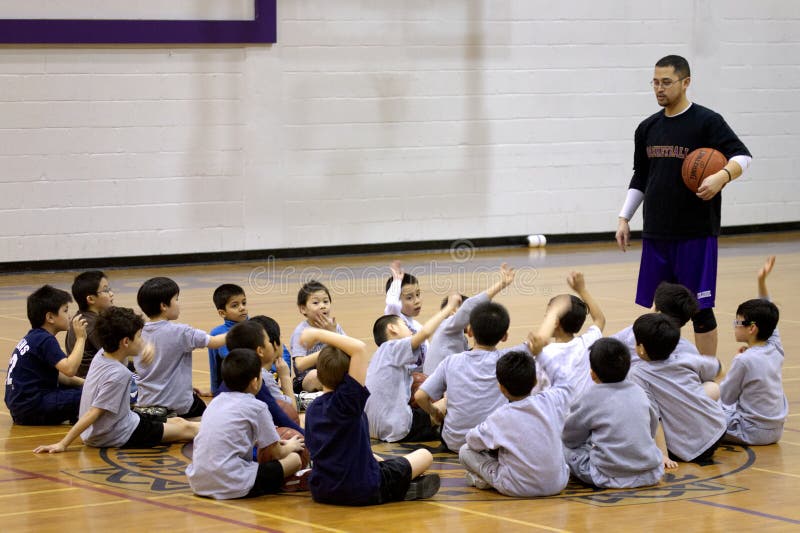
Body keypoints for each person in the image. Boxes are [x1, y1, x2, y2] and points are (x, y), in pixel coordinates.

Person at [615, 54, 753, 357]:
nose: (659, 89)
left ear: (685, 82)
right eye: (655, 82)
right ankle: (666, 371)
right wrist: (625, 217)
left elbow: (743, 156)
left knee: (700, 308)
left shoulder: (707, 121)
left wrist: (722, 175)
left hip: (695, 233)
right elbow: (641, 175)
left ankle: (707, 374)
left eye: (666, 82)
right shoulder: (647, 128)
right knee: (663, 308)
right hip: (657, 232)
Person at [301, 327, 441, 505]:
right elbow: (359, 348)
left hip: (322, 491)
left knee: (378, 459)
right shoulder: (347, 402)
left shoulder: (312, 409)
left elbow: (328, 450)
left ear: (319, 375)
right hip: (361, 489)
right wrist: (318, 334)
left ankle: (398, 485)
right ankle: (400, 489)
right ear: (349, 377)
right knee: (425, 455)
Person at [33, 307, 199, 453]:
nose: (142, 341)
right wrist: (63, 444)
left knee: (178, 421)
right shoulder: (119, 375)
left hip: (115, 424)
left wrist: (144, 348)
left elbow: (128, 348)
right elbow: (93, 413)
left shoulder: (103, 353)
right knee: (185, 429)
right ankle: (223, 430)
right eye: (140, 337)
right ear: (126, 341)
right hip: (118, 434)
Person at [458, 297, 569, 497]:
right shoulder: (551, 401)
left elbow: (472, 442)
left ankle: (484, 480)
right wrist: (541, 354)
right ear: (535, 382)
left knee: (465, 451)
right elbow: (563, 380)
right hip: (558, 484)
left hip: (517, 488)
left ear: (501, 387)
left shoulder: (500, 417)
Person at [186, 348, 305, 499]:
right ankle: (290, 481)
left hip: (198, 482)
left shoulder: (215, 402)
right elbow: (277, 453)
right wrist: (290, 446)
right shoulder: (258, 407)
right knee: (293, 460)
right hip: (233, 484)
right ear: (255, 382)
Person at [415, 301, 533, 452]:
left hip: (454, 443)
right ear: (505, 336)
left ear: (469, 332)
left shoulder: (451, 361)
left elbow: (420, 397)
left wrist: (435, 413)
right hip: (491, 444)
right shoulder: (507, 358)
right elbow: (538, 342)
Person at [562, 338, 664, 489]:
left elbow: (570, 438)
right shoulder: (639, 391)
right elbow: (652, 428)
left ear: (593, 374)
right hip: (650, 473)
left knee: (565, 448)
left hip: (608, 475)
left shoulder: (590, 397)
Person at [628, 313, 726, 467]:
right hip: (718, 428)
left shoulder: (638, 374)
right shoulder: (685, 358)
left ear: (641, 349)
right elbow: (719, 368)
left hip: (690, 448)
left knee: (637, 415)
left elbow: (654, 417)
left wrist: (663, 455)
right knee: (712, 386)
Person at [365, 294, 460, 442]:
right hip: (398, 428)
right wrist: (448, 308)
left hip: (372, 429)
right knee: (454, 397)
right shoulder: (392, 347)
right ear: (392, 328)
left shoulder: (379, 356)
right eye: (406, 325)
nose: (411, 330)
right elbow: (425, 333)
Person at [133, 277, 226, 419]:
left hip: (146, 404)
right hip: (179, 406)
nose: (179, 303)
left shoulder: (137, 333)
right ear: (164, 306)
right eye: (176, 299)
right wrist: (244, 329)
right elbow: (215, 342)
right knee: (211, 416)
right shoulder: (181, 332)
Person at [720, 256, 787, 445]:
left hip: (750, 431)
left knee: (705, 405)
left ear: (751, 328)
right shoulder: (775, 347)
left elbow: (726, 396)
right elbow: (768, 312)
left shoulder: (744, 360)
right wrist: (761, 280)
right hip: (776, 430)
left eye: (737, 322)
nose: (734, 325)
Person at [5, 285, 87, 425]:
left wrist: (85, 383)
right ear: (50, 317)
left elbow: (62, 375)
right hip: (32, 407)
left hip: (21, 407)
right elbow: (69, 369)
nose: (69, 315)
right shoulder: (44, 339)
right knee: (91, 395)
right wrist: (81, 338)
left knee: (83, 389)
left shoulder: (34, 337)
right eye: (65, 311)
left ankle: (76, 413)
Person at [424, 263, 516, 375]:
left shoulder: (459, 335)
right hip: (435, 387)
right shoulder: (446, 326)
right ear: (453, 312)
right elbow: (469, 306)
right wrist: (501, 284)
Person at [220, 319, 303, 432]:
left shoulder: (230, 379)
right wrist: (285, 378)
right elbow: (288, 415)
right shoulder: (259, 381)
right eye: (269, 341)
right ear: (260, 350)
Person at [536, 272, 606, 404]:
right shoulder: (586, 343)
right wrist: (582, 290)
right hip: (586, 414)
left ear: (555, 322)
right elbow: (599, 319)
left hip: (557, 416)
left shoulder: (544, 354)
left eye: (548, 316)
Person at [612, 281, 700, 363]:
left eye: (653, 305)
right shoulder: (690, 351)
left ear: (658, 313)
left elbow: (605, 347)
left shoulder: (632, 333)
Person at [289, 280, 345, 393]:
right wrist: (325, 351)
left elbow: (350, 352)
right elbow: (300, 365)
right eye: (316, 303)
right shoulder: (301, 332)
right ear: (303, 309)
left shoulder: (334, 326)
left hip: (331, 373)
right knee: (315, 376)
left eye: (326, 301)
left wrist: (334, 334)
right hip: (306, 379)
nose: (322, 306)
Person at [65, 271, 114, 378]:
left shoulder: (80, 317)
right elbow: (116, 355)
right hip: (93, 382)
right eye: (106, 290)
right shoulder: (95, 325)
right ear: (91, 299)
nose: (111, 293)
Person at [384, 260, 426, 369]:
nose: (417, 301)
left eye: (418, 294)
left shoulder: (418, 327)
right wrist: (397, 280)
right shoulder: (395, 318)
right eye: (409, 297)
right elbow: (392, 302)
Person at [208, 283, 248, 396]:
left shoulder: (258, 326)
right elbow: (214, 365)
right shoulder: (216, 334)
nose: (242, 308)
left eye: (244, 303)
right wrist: (214, 390)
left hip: (257, 383)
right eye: (235, 305)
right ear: (222, 313)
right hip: (230, 389)